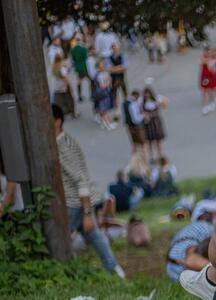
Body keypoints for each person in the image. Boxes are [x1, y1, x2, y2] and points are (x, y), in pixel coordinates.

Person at [52, 104, 124, 278]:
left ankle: (66, 273)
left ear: (57, 121)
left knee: (61, 240)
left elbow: (81, 179)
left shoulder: (64, 147)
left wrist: (86, 212)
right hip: (78, 202)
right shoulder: (62, 141)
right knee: (93, 235)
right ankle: (114, 269)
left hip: (74, 203)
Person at [166, 200, 216, 281]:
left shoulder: (194, 228)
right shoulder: (205, 226)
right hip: (184, 262)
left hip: (174, 269)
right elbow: (190, 258)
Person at [142, 87, 168, 163]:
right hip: (148, 123)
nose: (146, 95)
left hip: (156, 121)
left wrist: (161, 103)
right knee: (150, 141)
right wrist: (145, 115)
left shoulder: (156, 100)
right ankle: (152, 156)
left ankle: (160, 155)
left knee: (158, 140)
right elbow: (140, 110)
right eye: (145, 94)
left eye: (148, 93)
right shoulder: (143, 102)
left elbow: (165, 104)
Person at [107, 43, 128, 119]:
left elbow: (125, 67)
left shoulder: (122, 56)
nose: (115, 50)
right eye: (113, 48)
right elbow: (109, 69)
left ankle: (127, 109)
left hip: (121, 78)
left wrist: (114, 68)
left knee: (125, 94)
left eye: (116, 48)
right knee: (114, 96)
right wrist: (119, 68)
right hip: (113, 79)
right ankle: (117, 112)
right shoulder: (109, 58)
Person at [124, 90, 146, 157]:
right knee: (143, 144)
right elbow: (136, 119)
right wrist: (143, 116)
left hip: (130, 126)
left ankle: (134, 159)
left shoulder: (126, 103)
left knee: (135, 144)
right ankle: (142, 159)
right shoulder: (132, 105)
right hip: (137, 127)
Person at [69, 35, 90, 103]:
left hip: (77, 67)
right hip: (84, 66)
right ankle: (92, 93)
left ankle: (79, 96)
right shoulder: (83, 49)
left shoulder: (73, 49)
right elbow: (86, 57)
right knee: (90, 80)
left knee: (79, 81)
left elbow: (73, 59)